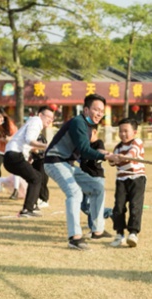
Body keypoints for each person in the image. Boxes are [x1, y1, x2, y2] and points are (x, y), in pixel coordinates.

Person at [44, 93, 119, 250]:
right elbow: (84, 150)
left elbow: (88, 148)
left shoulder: (88, 126)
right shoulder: (79, 122)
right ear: (86, 110)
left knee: (97, 187)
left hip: (68, 165)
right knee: (75, 193)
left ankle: (97, 230)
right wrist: (105, 156)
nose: (99, 113)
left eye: (101, 110)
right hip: (54, 161)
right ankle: (74, 238)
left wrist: (106, 155)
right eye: (96, 109)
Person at [4, 106, 54, 217]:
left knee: (36, 177)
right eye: (48, 117)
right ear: (40, 115)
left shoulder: (33, 123)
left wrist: (28, 156)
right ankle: (28, 209)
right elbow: (30, 140)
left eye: (52, 118)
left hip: (13, 156)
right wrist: (47, 146)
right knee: (36, 178)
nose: (50, 120)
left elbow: (25, 143)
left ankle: (32, 206)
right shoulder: (36, 121)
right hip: (13, 155)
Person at [108, 118, 146, 248]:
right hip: (121, 180)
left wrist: (120, 159)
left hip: (137, 179)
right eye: (120, 131)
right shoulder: (118, 147)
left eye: (126, 131)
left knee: (135, 206)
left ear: (134, 132)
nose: (122, 134)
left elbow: (131, 155)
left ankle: (133, 233)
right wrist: (111, 157)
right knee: (118, 207)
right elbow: (112, 162)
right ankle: (119, 234)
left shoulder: (137, 142)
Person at [79, 125, 113, 233]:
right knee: (84, 206)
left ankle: (94, 229)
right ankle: (109, 212)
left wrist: (106, 154)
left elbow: (100, 151)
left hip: (96, 177)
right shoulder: (83, 144)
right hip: (84, 178)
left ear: (94, 132)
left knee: (91, 204)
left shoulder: (98, 143)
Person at [30, 132, 50, 208]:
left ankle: (45, 199)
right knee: (36, 179)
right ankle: (38, 198)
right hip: (35, 160)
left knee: (43, 180)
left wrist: (37, 151)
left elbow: (45, 149)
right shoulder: (30, 137)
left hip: (43, 160)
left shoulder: (40, 136)